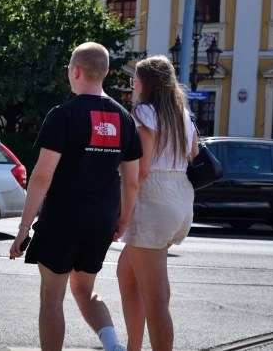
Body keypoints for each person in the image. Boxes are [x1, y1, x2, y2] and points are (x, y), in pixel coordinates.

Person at [9, 41, 142, 351]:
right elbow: (132, 182)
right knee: (85, 291)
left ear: (75, 71)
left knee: (52, 297)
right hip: (101, 219)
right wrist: (123, 220)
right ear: (106, 72)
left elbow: (42, 176)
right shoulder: (125, 119)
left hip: (63, 218)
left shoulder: (63, 115)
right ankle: (113, 347)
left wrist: (24, 228)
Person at [116, 56, 198, 351]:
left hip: (154, 200)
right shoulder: (182, 114)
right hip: (179, 198)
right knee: (126, 275)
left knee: (156, 297)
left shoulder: (145, 113)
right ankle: (132, 347)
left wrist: (123, 214)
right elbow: (194, 152)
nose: (132, 85)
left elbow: (142, 170)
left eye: (135, 79)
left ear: (146, 83)